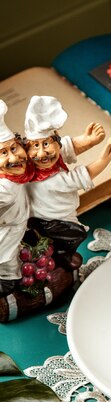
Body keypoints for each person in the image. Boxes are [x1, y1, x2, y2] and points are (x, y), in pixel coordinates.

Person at [24, 96, 111, 269]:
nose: (41, 153)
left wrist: (88, 140)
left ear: (56, 143)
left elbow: (69, 146)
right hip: (49, 220)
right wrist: (104, 159)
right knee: (75, 235)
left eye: (46, 144)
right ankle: (62, 257)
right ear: (27, 149)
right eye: (35, 146)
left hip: (57, 215)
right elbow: (81, 176)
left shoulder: (52, 156)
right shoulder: (46, 179)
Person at [0, 100, 33, 295]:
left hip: (20, 227)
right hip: (6, 233)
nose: (13, 158)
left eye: (14, 148)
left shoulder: (21, 175)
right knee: (6, 262)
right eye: (4, 153)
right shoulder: (4, 188)